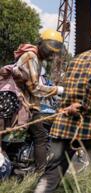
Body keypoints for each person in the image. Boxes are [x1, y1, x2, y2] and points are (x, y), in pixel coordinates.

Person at [34, 27, 91, 193]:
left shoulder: (78, 57)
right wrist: (85, 105)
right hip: (89, 127)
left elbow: (68, 86)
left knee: (53, 171)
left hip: (64, 124)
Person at [9, 29, 65, 172]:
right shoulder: (31, 56)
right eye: (47, 49)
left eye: (53, 51)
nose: (50, 53)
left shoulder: (38, 59)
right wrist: (59, 90)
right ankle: (41, 173)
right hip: (22, 103)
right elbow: (34, 88)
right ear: (40, 43)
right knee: (41, 136)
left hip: (26, 103)